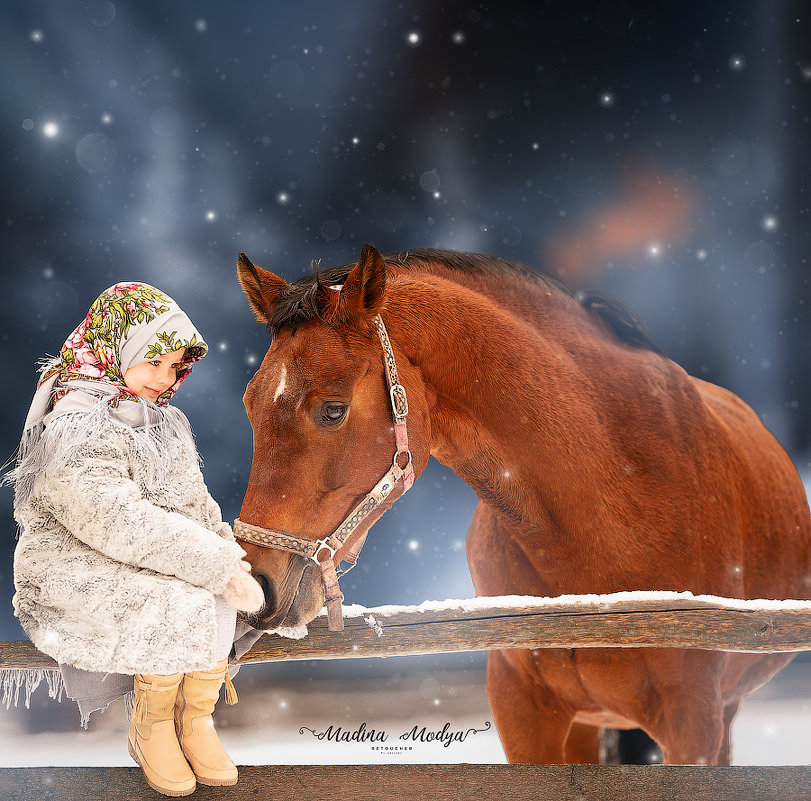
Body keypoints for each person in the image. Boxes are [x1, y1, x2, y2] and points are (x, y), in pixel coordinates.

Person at [3, 281, 264, 796]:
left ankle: (195, 720)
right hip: (73, 563)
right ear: (115, 345)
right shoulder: (73, 422)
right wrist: (211, 562)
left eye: (174, 367)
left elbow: (194, 504)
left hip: (144, 552)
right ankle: (152, 723)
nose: (164, 379)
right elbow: (112, 518)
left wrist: (226, 555)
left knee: (219, 592)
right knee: (175, 596)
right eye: (152, 362)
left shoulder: (165, 423)